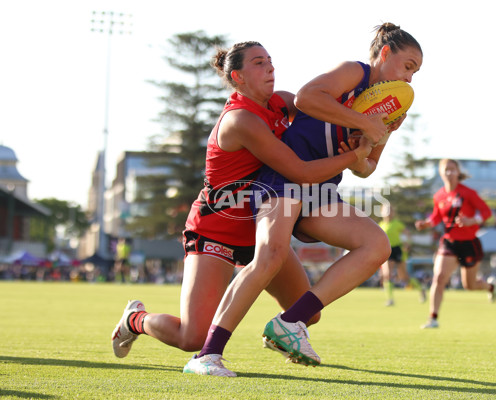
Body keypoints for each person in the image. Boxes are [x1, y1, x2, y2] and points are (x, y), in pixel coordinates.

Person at [110, 42, 372, 364]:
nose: (270, 68)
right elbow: (300, 172)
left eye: (270, 61)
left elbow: (322, 111)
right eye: (259, 63)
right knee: (191, 337)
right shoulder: (240, 120)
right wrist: (354, 155)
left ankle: (281, 337)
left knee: (308, 312)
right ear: (238, 76)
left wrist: (374, 116)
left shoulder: (279, 102)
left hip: (259, 225)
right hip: (217, 230)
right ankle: (135, 319)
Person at [186, 23, 423, 377]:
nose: (409, 79)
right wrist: (361, 122)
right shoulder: (354, 71)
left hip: (321, 189)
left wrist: (364, 147)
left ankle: (290, 322)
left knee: (376, 246)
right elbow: (306, 98)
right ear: (385, 54)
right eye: (407, 66)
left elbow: (366, 169)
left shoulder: (392, 107)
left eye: (415, 73)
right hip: (283, 180)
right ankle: (206, 355)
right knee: (269, 256)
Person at [414, 158, 496, 329]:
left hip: (469, 243)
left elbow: (487, 212)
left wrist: (472, 220)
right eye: (446, 169)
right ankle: (433, 318)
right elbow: (436, 216)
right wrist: (426, 223)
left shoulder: (468, 193)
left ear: (458, 172)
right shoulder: (439, 195)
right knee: (439, 277)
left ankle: (490, 287)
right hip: (449, 242)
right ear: (440, 173)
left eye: (453, 169)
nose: (449, 172)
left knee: (470, 286)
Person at [378, 205, 425, 306]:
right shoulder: (381, 225)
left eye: (390, 210)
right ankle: (390, 299)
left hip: (397, 250)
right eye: (386, 210)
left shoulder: (397, 223)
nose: (388, 212)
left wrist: (407, 244)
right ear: (382, 212)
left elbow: (408, 233)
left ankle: (421, 289)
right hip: (387, 250)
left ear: (393, 212)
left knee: (403, 277)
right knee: (387, 274)